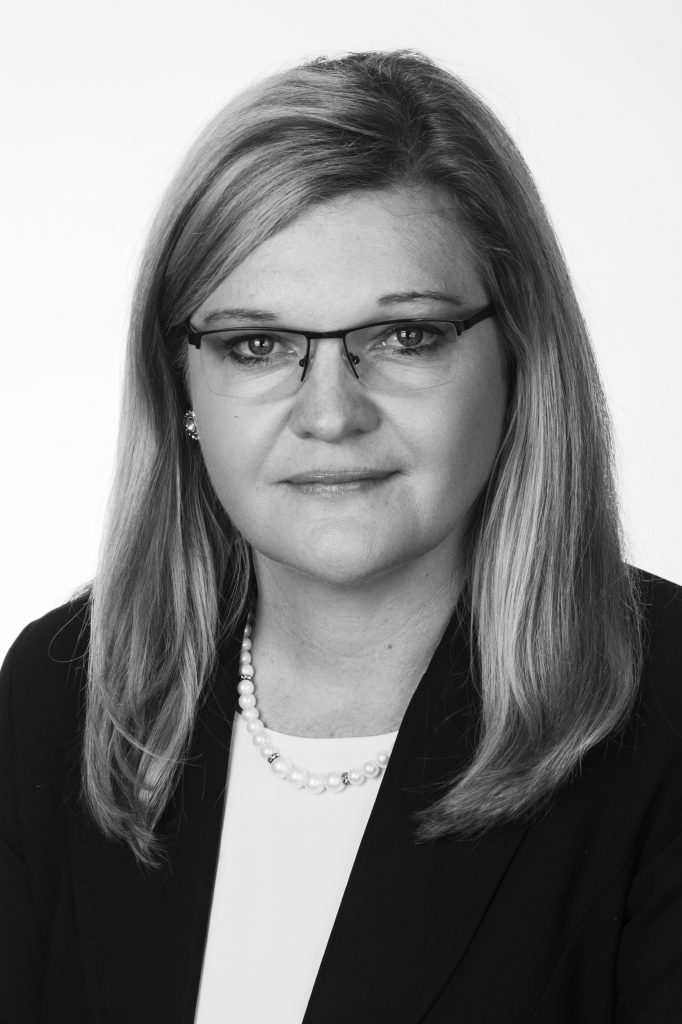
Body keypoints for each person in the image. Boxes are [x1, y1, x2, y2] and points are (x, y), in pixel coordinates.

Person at [1, 48, 680, 1024]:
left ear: (520, 357)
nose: (330, 413)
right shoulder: (62, 695)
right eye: (256, 344)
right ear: (181, 388)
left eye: (405, 337)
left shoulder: (665, 709)